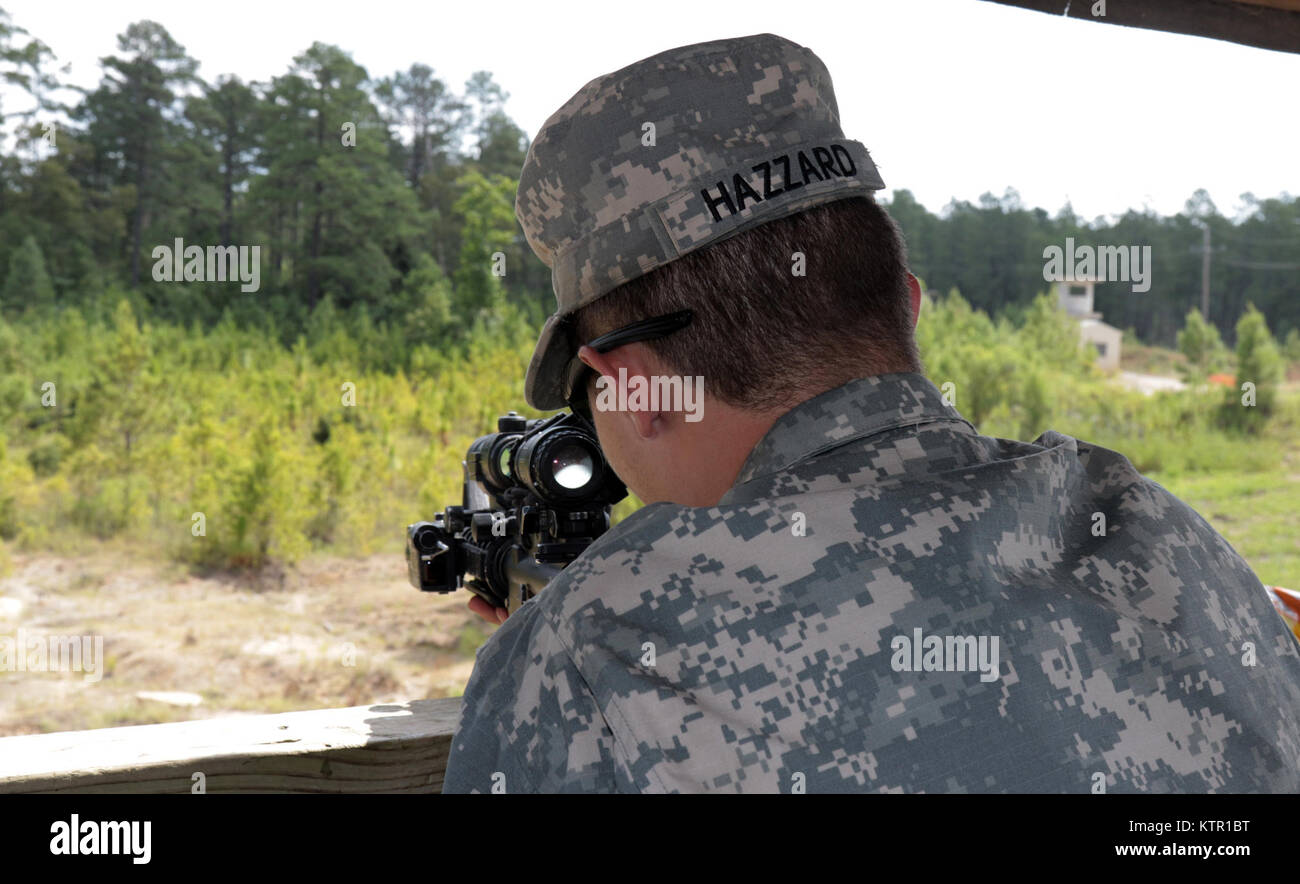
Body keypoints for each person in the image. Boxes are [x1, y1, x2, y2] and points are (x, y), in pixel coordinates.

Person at [441, 32, 1300, 793]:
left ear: (629, 382)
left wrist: (539, 658)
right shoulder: (1163, 530)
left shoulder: (596, 640)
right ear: (909, 307)